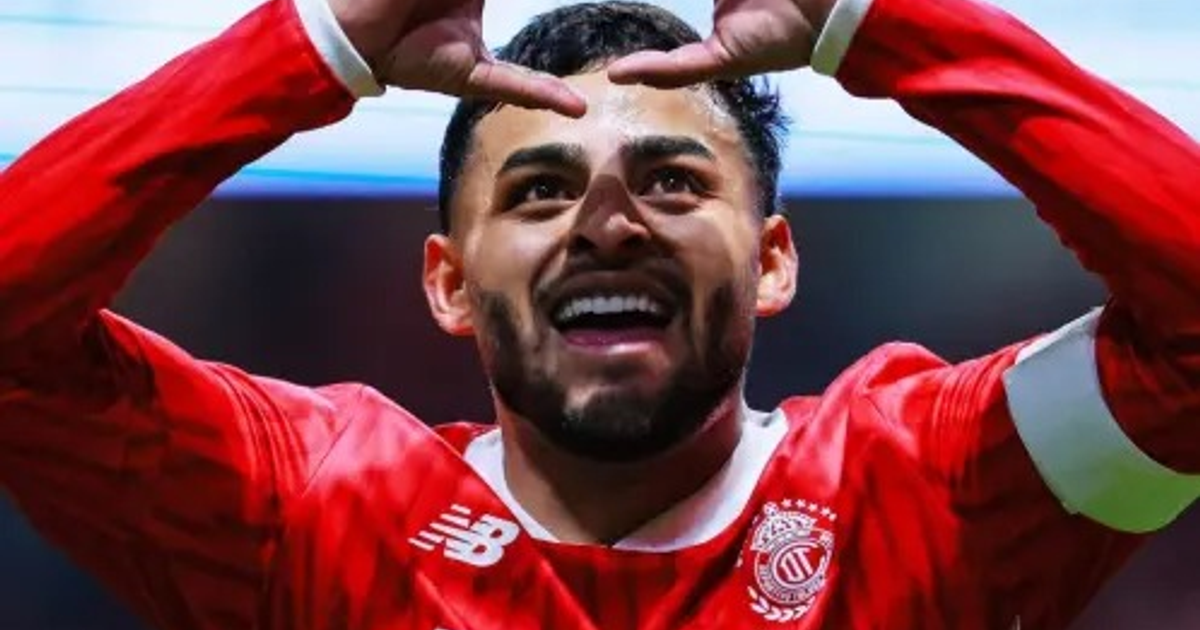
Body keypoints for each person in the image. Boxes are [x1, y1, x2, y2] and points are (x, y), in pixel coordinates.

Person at [0, 0, 1196, 626]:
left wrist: (878, 22)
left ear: (775, 260)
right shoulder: (317, 509)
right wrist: (308, 46)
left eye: (674, 180)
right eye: (539, 190)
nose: (607, 223)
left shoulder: (925, 484)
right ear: (449, 284)